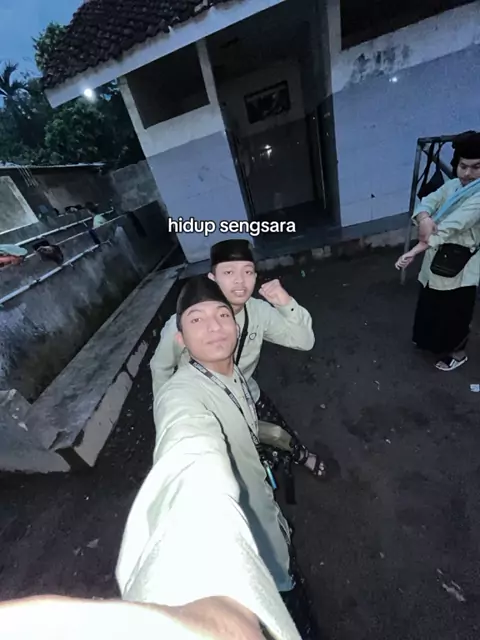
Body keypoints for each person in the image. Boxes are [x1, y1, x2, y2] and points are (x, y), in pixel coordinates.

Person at [122, 276, 318, 638]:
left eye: (222, 315)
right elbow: (186, 452)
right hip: (249, 550)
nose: (214, 326)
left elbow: (303, 338)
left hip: (266, 511)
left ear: (236, 326)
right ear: (180, 339)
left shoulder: (229, 372)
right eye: (196, 319)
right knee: (287, 608)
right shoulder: (183, 395)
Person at [150, 238, 331, 482]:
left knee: (278, 431)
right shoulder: (185, 323)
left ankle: (302, 455)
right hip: (208, 406)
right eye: (228, 272)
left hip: (246, 392)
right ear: (212, 278)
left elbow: (304, 341)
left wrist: (285, 303)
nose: (239, 280)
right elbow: (161, 366)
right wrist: (166, 415)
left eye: (248, 272)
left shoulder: (258, 312)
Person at [395, 131, 480, 371]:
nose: (468, 173)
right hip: (438, 255)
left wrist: (416, 249)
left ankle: (458, 353)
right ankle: (428, 342)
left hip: (462, 261)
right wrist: (424, 217)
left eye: (476, 167)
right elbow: (428, 201)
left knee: (456, 309)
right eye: (463, 166)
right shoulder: (454, 185)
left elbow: (454, 224)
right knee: (431, 302)